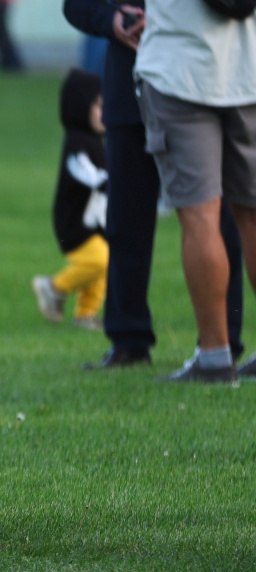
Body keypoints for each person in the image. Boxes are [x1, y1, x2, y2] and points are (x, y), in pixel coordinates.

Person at [63, 0, 247, 372]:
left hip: (200, 84)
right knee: (126, 222)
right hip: (134, 92)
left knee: (216, 218)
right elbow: (76, 5)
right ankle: (129, 339)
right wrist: (114, 20)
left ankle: (221, 342)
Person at [134, 0, 256, 382]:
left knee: (201, 217)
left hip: (180, 71)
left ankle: (215, 357)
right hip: (249, 72)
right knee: (252, 215)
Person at [32, 68, 109, 331]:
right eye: (99, 105)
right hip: (73, 222)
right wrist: (107, 181)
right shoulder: (78, 142)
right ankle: (54, 288)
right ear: (80, 107)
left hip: (94, 221)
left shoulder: (97, 141)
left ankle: (87, 314)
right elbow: (82, 171)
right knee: (100, 259)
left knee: (102, 267)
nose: (105, 111)